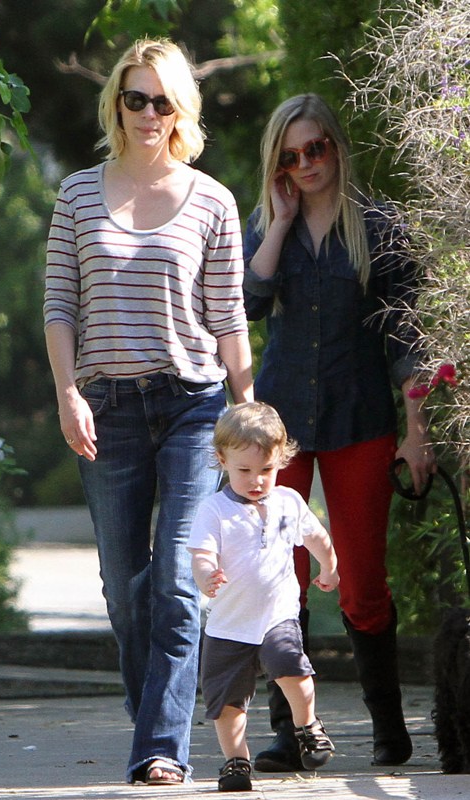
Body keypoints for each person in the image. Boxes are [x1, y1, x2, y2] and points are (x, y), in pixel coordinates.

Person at [43, 38, 253, 785]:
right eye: (135, 98)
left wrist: (248, 413)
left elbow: (228, 318)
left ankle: (161, 746)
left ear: (181, 111)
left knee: (177, 581)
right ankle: (152, 718)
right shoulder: (76, 195)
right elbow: (59, 306)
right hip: (106, 406)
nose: (148, 113)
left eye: (162, 101)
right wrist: (67, 393)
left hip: (193, 405)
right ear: (116, 104)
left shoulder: (213, 201)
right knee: (125, 592)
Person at [242, 93, 436, 772]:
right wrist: (278, 222)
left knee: (362, 583)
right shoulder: (266, 224)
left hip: (360, 417)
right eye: (290, 155)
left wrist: (416, 430)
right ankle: (291, 735)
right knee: (279, 579)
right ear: (278, 164)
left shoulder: (380, 227)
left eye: (315, 148)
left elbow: (406, 339)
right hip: (281, 427)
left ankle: (389, 727)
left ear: (336, 146)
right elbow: (249, 304)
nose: (306, 163)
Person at [187, 402, 339, 792]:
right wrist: (206, 576)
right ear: (222, 460)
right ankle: (236, 762)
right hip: (229, 625)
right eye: (244, 471)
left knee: (294, 669)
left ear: (281, 460)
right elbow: (201, 554)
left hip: (277, 616)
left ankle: (308, 726)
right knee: (226, 702)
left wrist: (329, 566)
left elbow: (316, 537)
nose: (256, 480)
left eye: (266, 470)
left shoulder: (288, 502)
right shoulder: (214, 509)